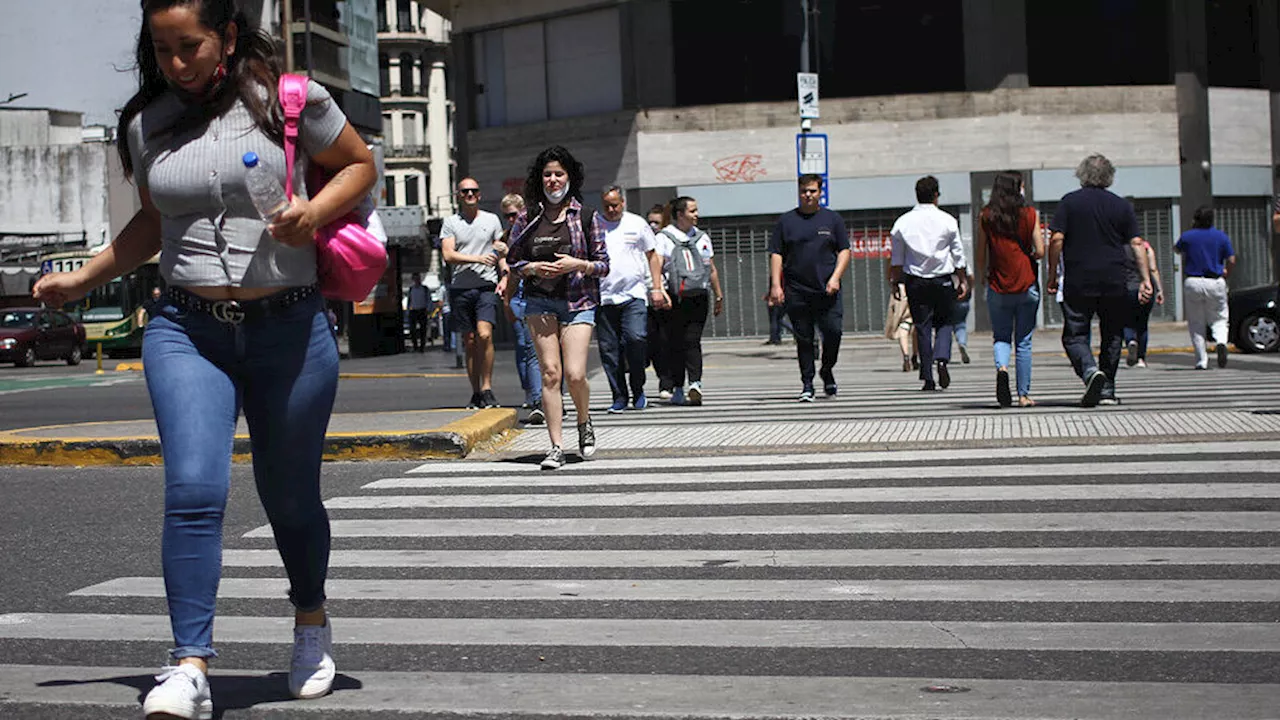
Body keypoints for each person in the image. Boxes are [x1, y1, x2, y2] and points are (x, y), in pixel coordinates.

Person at [32, 1, 378, 715]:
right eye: (161, 51)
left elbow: (359, 166)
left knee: (289, 498)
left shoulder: (292, 100)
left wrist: (313, 213)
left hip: (289, 325)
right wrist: (82, 279)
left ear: (225, 35)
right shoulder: (145, 123)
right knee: (193, 493)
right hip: (186, 327)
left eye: (188, 46)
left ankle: (310, 622)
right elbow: (154, 223)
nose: (175, 64)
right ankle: (189, 663)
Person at [506, 145, 609, 470]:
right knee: (551, 373)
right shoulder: (528, 217)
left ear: (569, 178)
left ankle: (583, 421)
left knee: (576, 374)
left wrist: (576, 263)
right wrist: (532, 268)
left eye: (559, 174)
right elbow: (512, 259)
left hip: (578, 302)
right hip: (539, 301)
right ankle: (556, 447)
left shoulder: (588, 216)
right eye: (547, 174)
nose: (552, 180)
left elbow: (604, 265)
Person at [1047, 154, 1151, 407]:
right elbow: (1137, 244)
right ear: (1110, 176)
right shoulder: (1121, 205)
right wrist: (1145, 279)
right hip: (1115, 278)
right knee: (1113, 333)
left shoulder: (1069, 203)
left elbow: (1057, 239)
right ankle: (1107, 390)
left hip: (1079, 278)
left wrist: (1051, 275)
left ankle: (1090, 371)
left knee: (1074, 335)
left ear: (1082, 174)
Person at [768, 174, 851, 401]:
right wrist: (776, 285)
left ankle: (827, 369)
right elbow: (776, 253)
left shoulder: (832, 219)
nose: (808, 195)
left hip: (827, 290)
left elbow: (844, 250)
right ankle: (807, 384)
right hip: (797, 290)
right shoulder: (787, 221)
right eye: (804, 191)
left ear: (820, 192)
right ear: (799, 191)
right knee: (804, 339)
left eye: (813, 191)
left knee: (833, 333)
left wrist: (835, 278)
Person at [889, 176, 969, 392]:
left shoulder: (902, 223)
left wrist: (895, 282)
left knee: (922, 326)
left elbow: (896, 258)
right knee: (944, 322)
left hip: (915, 281)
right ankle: (942, 358)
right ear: (936, 195)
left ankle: (927, 376)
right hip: (942, 279)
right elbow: (958, 254)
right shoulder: (948, 220)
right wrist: (962, 278)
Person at [975, 171, 1044, 408]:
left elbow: (980, 253)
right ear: (1017, 189)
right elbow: (1041, 250)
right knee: (1023, 341)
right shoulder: (1029, 214)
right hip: (1026, 283)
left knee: (1001, 336)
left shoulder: (986, 216)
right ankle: (1023, 395)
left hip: (998, 285)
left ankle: (1002, 368)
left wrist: (982, 276)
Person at [597, 185, 664, 412]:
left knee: (636, 339)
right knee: (609, 350)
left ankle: (638, 388)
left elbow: (652, 256)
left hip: (633, 294)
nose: (611, 209)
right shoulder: (594, 225)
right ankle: (619, 396)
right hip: (603, 298)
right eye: (606, 205)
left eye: (615, 205)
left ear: (623, 203)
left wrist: (656, 287)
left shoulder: (636, 223)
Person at [440, 178, 507, 408]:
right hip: (461, 287)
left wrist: (505, 274)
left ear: (479, 195)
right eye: (465, 191)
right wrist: (477, 258)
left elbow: (501, 251)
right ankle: (476, 391)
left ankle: (487, 387)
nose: (469, 194)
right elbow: (448, 255)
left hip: (486, 285)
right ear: (458, 195)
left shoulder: (492, 220)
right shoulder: (450, 222)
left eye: (473, 191)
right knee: (469, 341)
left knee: (485, 335)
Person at [654, 196, 723, 406]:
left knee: (692, 340)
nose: (696, 215)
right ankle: (677, 387)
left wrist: (718, 294)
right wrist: (657, 290)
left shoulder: (702, 237)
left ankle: (695, 384)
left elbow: (711, 268)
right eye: (692, 211)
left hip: (698, 295)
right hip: (673, 296)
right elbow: (656, 265)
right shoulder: (664, 237)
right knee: (674, 342)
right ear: (679, 214)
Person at [499, 193, 545, 424]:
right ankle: (532, 393)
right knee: (524, 346)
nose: (510, 219)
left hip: (534, 294)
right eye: (506, 216)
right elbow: (505, 268)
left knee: (537, 348)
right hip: (516, 296)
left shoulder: (533, 232)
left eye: (514, 215)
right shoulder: (505, 237)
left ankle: (543, 396)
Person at [1175, 205, 1236, 370]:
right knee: (1220, 318)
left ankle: (1201, 360)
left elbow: (1177, 249)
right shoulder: (1221, 237)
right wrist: (1225, 273)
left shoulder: (1188, 236)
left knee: (1196, 322)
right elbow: (1231, 259)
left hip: (1193, 281)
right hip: (1215, 281)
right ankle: (1221, 342)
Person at [1124, 234, 1164, 368]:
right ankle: (1141, 358)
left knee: (1126, 321)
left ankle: (1130, 341)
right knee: (1142, 323)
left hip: (1126, 287)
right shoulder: (1146, 247)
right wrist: (1159, 289)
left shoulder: (1119, 247)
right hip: (1146, 287)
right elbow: (1153, 269)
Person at [645, 204, 672, 398]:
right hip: (645, 298)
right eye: (650, 222)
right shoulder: (643, 242)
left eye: (657, 222)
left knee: (665, 341)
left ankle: (667, 382)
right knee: (650, 342)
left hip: (666, 296)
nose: (653, 226)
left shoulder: (667, 242)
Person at [950, 271, 975, 364]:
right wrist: (970, 289)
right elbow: (971, 276)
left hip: (949, 298)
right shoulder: (962, 261)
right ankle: (962, 343)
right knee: (961, 324)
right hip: (963, 298)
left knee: (946, 326)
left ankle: (944, 354)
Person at [405, 272, 432, 352]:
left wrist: (428, 310)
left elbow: (429, 300)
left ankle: (422, 347)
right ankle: (415, 346)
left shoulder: (425, 289)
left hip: (422, 310)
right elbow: (409, 300)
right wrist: (408, 310)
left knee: (423, 329)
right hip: (413, 310)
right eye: (415, 279)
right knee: (412, 329)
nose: (417, 280)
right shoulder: (411, 289)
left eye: (418, 278)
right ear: (413, 280)